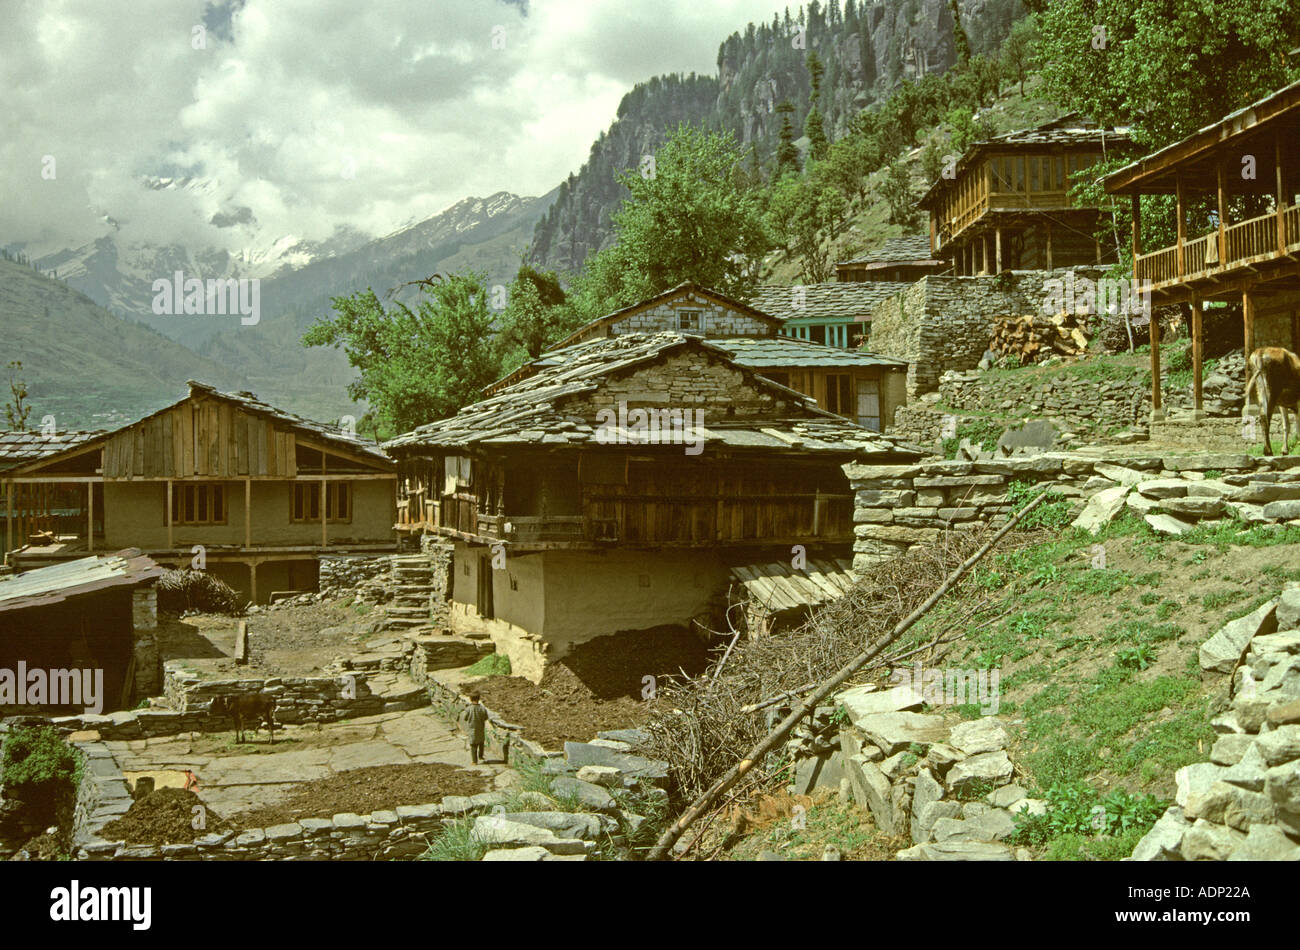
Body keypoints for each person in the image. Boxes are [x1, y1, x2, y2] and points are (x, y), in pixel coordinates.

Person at [462, 692, 489, 764]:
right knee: (481, 743)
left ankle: (474, 761)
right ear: (479, 699)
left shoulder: (468, 709)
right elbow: (486, 717)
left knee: (473, 745)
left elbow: (465, 718)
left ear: (470, 699)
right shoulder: (483, 708)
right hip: (480, 729)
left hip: (472, 729)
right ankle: (481, 756)